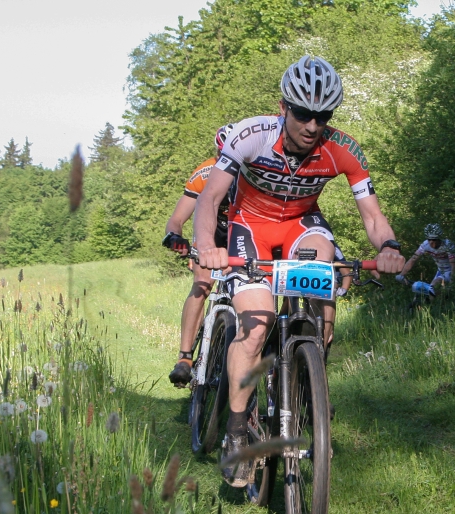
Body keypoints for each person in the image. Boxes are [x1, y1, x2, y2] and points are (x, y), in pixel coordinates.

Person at [194, 55, 405, 487]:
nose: (312, 125)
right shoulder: (251, 135)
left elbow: (372, 216)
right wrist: (206, 247)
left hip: (301, 226)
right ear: (283, 107)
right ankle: (237, 431)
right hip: (250, 227)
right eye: (304, 114)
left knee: (325, 264)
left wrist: (389, 247)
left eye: (322, 117)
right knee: (255, 329)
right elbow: (210, 199)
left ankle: (309, 377)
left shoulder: (342, 149)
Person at [163, 124, 235, 388]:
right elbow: (177, 218)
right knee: (202, 284)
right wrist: (175, 237)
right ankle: (184, 357)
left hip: (241, 232)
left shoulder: (255, 173)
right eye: (223, 155)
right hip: (210, 232)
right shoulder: (205, 173)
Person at [396, 223, 455, 301]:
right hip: (441, 270)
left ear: (439, 238)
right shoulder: (425, 244)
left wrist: (452, 280)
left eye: (434, 239)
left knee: (437, 289)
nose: (431, 242)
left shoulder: (448, 245)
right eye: (429, 239)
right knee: (431, 294)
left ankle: (447, 299)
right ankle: (437, 303)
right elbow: (413, 259)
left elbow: (453, 264)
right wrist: (401, 275)